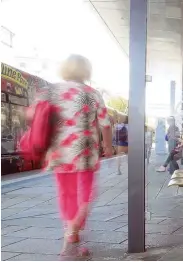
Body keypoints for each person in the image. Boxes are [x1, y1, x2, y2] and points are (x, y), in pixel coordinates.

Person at [27, 55, 113, 257]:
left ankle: (71, 231)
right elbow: (105, 124)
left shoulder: (50, 91)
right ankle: (73, 230)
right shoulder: (91, 94)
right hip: (84, 152)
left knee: (66, 194)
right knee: (87, 193)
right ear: (86, 71)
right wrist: (107, 146)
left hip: (59, 152)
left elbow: (32, 115)